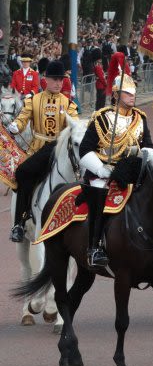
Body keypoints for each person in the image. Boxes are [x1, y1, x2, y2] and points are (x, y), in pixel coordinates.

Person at [79, 71, 153, 268]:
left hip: (132, 170)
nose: (132, 95)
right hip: (104, 171)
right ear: (115, 95)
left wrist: (148, 154)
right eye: (127, 93)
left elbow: (148, 144)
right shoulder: (102, 118)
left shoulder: (140, 118)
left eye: (133, 92)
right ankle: (94, 247)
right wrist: (101, 169)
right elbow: (85, 149)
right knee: (100, 195)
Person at [8, 60, 79, 242]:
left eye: (61, 80)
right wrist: (16, 124)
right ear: (45, 79)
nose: (58, 83)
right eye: (54, 79)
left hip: (58, 149)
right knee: (22, 174)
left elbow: (75, 125)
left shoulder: (68, 104)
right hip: (37, 149)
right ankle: (19, 224)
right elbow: (24, 117)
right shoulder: (34, 100)